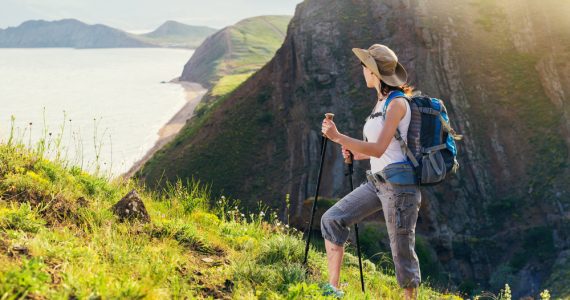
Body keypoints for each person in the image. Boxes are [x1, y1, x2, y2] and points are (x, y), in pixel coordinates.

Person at [320, 44, 422, 299]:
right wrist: (355, 152)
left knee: (401, 248)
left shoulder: (397, 103)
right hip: (378, 183)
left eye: (364, 66)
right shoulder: (380, 103)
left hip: (400, 187)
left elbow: (378, 149)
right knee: (332, 219)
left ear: (374, 73)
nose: (362, 70)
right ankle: (333, 289)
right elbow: (383, 150)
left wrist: (338, 137)